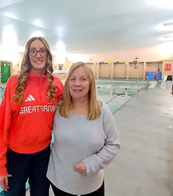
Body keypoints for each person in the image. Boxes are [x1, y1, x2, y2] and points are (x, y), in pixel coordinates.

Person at [0, 37, 64, 196]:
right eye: (33, 50)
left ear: (47, 54)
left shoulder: (57, 85)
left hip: (43, 155)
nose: (38, 55)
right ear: (27, 55)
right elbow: (1, 126)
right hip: (16, 156)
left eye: (42, 50)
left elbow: (70, 114)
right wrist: (1, 166)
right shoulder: (13, 83)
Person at [47, 62, 121, 196]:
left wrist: (91, 164)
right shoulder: (58, 108)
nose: (77, 84)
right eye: (73, 79)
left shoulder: (102, 111)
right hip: (60, 182)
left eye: (83, 79)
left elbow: (114, 144)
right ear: (67, 82)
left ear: (91, 83)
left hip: (91, 185)